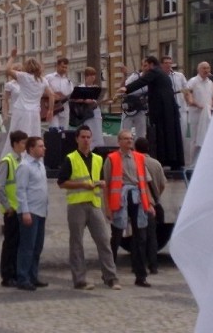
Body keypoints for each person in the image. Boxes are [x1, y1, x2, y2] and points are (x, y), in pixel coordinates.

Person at [57, 125, 121, 290]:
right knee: (76, 243)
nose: (86, 140)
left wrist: (103, 192)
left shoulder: (98, 159)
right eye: (83, 137)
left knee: (104, 240)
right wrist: (82, 185)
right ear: (77, 139)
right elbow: (62, 182)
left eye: (88, 137)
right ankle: (79, 279)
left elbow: (101, 181)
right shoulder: (70, 158)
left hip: (94, 203)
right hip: (77, 204)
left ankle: (111, 278)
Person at [104, 130, 155, 287]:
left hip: (138, 199)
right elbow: (106, 184)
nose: (129, 141)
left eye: (130, 139)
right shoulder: (111, 158)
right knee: (117, 236)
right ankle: (109, 274)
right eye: (125, 139)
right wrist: (107, 207)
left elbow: (144, 183)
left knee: (141, 237)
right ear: (119, 141)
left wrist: (150, 204)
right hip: (120, 199)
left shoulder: (139, 158)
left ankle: (140, 275)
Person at [118, 56, 184, 170]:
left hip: (161, 109)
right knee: (171, 134)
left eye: (146, 65)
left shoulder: (154, 71)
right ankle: (174, 160)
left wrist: (126, 89)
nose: (145, 68)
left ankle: (162, 160)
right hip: (169, 108)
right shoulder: (162, 74)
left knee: (160, 133)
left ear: (151, 64)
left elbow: (142, 81)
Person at [0, 49, 54, 158]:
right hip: (34, 112)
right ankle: (33, 158)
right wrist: (50, 110)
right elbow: (51, 94)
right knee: (34, 136)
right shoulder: (42, 80)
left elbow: (7, 70)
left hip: (21, 110)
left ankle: (14, 158)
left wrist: (12, 57)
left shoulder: (23, 77)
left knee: (17, 136)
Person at [0, 130, 28, 287]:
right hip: (12, 210)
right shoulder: (7, 161)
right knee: (10, 244)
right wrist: (7, 207)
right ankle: (7, 276)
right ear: (15, 144)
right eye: (23, 143)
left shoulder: (22, 161)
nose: (25, 146)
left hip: (20, 208)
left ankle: (15, 273)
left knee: (18, 243)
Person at [15, 136, 49, 291]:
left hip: (41, 210)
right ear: (31, 149)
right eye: (40, 146)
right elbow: (21, 190)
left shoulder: (40, 164)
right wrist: (25, 211)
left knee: (37, 246)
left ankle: (33, 275)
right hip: (31, 211)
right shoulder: (25, 166)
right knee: (27, 246)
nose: (44, 148)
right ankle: (22, 277)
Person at [134, 136, 166, 275]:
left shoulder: (134, 162)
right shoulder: (156, 164)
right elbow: (163, 184)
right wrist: (155, 196)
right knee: (152, 236)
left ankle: (138, 264)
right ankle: (153, 266)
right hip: (152, 203)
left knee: (138, 236)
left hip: (138, 202)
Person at [185, 61, 213, 164]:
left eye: (208, 68)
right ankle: (192, 163)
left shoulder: (210, 83)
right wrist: (194, 103)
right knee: (194, 139)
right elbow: (187, 93)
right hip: (195, 115)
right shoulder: (193, 81)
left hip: (207, 115)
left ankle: (204, 162)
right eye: (204, 68)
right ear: (198, 70)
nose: (206, 70)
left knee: (206, 138)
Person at [161, 56, 190, 165]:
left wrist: (188, 102)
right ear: (162, 65)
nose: (168, 65)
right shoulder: (161, 77)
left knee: (183, 135)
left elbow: (186, 90)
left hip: (181, 109)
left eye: (170, 63)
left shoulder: (179, 76)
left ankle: (182, 160)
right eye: (166, 63)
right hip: (168, 111)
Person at [72, 66, 104, 149]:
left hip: (94, 112)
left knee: (97, 133)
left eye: (94, 75)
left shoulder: (96, 88)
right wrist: (84, 100)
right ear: (86, 76)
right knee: (87, 131)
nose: (93, 77)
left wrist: (93, 101)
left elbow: (98, 99)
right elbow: (74, 99)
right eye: (91, 75)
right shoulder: (81, 87)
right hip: (85, 113)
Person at [44, 57, 73, 131]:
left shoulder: (68, 81)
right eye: (62, 67)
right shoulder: (49, 78)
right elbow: (41, 90)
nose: (64, 69)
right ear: (57, 66)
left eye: (66, 67)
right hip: (53, 108)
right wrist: (51, 95)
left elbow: (70, 95)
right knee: (54, 131)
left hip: (65, 109)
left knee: (63, 132)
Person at [119, 65, 147, 139]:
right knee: (125, 132)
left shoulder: (151, 79)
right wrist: (124, 75)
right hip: (130, 107)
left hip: (141, 108)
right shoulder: (135, 76)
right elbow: (123, 88)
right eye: (145, 65)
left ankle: (140, 148)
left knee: (141, 134)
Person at [1, 62, 22, 128]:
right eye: (18, 70)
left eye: (21, 70)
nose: (20, 72)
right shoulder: (10, 85)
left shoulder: (26, 83)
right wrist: (5, 115)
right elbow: (5, 101)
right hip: (14, 112)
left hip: (25, 111)